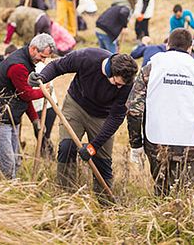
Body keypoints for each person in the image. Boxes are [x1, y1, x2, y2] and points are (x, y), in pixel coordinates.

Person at [127, 29, 194, 196]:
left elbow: (134, 110)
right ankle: (181, 220)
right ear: (189, 48)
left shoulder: (150, 69)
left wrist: (136, 144)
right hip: (188, 141)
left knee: (161, 189)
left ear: (167, 45)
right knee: (184, 194)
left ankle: (160, 217)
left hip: (156, 139)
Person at [29, 49, 139, 197]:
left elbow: (116, 117)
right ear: (109, 72)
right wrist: (42, 77)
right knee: (67, 147)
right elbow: (57, 66)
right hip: (76, 105)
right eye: (117, 83)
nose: (119, 87)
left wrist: (94, 146)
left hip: (103, 116)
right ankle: (66, 195)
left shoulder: (127, 83)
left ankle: (104, 203)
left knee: (103, 161)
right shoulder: (87, 57)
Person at [0, 34, 55, 178]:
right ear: (33, 49)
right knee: (7, 164)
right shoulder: (18, 66)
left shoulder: (28, 62)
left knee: (16, 160)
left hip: (11, 116)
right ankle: (6, 195)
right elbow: (26, 94)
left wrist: (35, 119)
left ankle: (14, 188)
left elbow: (23, 99)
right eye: (42, 56)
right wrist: (44, 92)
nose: (43, 60)